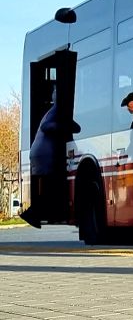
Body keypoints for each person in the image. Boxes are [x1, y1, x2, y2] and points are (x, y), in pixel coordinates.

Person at [20, 90, 79, 228]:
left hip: (41, 153)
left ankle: (36, 212)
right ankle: (33, 213)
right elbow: (46, 126)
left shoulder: (56, 110)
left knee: (49, 186)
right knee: (50, 185)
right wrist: (64, 127)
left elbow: (76, 127)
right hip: (44, 154)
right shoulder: (57, 110)